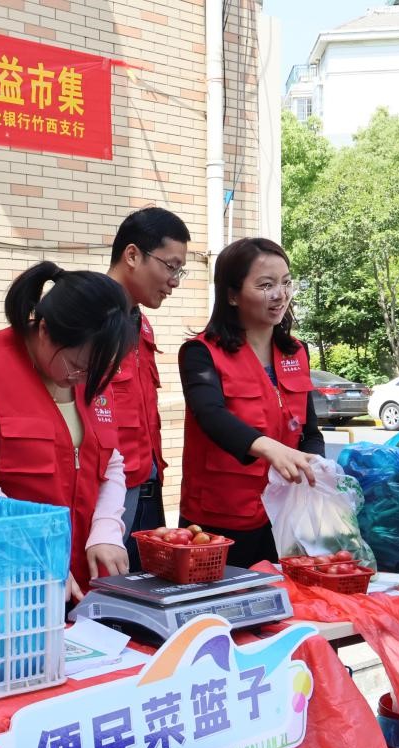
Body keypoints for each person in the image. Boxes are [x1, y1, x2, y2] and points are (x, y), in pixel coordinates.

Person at [0, 261, 137, 602]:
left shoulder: (92, 370)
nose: (84, 379)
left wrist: (106, 526)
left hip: (81, 580)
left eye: (97, 370)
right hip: (7, 573)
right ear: (44, 330)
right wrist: (35, 550)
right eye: (77, 367)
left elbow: (111, 462)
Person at [177, 237, 324, 569]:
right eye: (266, 285)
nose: (280, 294)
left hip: (282, 513)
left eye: (286, 282)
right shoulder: (202, 353)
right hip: (221, 514)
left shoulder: (296, 352)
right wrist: (270, 449)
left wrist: (314, 464)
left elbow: (310, 430)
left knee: (280, 598)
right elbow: (210, 415)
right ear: (232, 295)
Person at [105, 207, 192, 569]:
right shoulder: (87, 321)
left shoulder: (141, 323)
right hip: (106, 497)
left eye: (179, 271)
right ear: (132, 255)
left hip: (147, 487)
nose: (174, 281)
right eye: (170, 266)